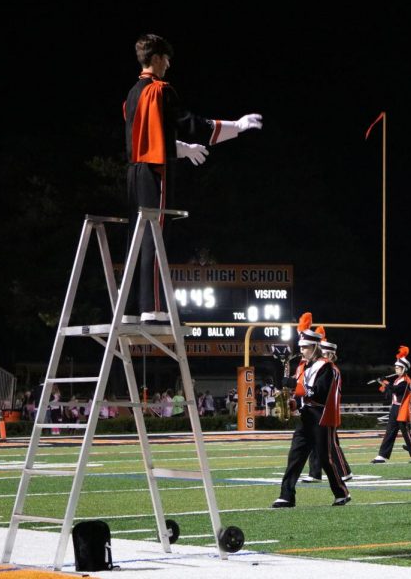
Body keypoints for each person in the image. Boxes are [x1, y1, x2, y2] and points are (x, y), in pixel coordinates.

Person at [123, 34, 262, 323]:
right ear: (158, 58)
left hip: (134, 173)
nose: (169, 64)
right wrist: (236, 126)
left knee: (136, 239)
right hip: (155, 172)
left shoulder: (133, 94)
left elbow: (144, 138)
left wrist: (182, 150)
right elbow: (192, 125)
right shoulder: (161, 90)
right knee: (155, 237)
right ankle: (153, 307)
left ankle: (130, 310)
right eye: (167, 58)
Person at [272, 313, 350, 508]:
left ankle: (341, 492)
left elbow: (319, 393)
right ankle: (286, 495)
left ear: (315, 346)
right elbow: (302, 396)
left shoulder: (328, 367)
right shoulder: (301, 366)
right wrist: (292, 404)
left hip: (321, 417)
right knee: (295, 456)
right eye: (301, 347)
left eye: (305, 347)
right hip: (305, 416)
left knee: (325, 458)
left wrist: (294, 385)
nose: (303, 351)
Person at [303, 328, 353, 483]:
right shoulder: (320, 367)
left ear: (331, 355)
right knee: (319, 442)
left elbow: (326, 392)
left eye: (325, 354)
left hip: (327, 410)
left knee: (331, 444)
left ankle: (344, 472)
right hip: (319, 409)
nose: (322, 356)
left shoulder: (332, 369)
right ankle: (315, 473)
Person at [372, 346, 411, 463]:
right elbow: (390, 393)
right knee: (389, 432)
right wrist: (382, 384)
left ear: (404, 369)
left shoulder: (406, 381)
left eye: (398, 368)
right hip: (394, 408)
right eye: (396, 367)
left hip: (402, 409)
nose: (396, 369)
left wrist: (385, 382)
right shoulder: (397, 380)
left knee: (406, 434)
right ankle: (382, 455)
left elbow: (397, 390)